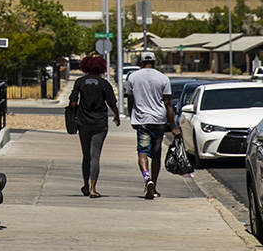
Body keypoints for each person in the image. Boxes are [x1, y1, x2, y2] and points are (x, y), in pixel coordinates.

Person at [125, 50, 180, 199]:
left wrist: (132, 116)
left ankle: (146, 178)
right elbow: (168, 103)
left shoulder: (133, 77)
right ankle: (153, 186)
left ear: (140, 62)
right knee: (156, 156)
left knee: (142, 152)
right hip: (159, 121)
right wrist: (173, 126)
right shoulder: (163, 78)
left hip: (143, 121)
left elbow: (130, 100)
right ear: (155, 62)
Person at [69, 54, 120, 198]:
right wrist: (116, 116)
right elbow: (112, 103)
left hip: (83, 122)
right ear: (101, 67)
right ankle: (93, 188)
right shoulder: (104, 84)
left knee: (86, 155)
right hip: (99, 123)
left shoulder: (80, 82)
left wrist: (74, 112)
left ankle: (85, 185)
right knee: (95, 155)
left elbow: (73, 101)